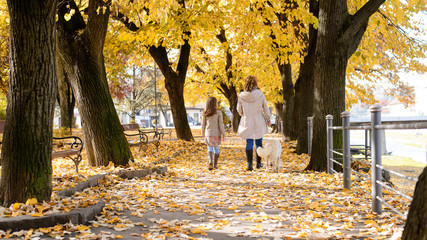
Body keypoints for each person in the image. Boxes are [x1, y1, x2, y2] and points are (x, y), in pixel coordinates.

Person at [237, 75, 271, 171]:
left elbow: (239, 110)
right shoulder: (260, 94)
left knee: (249, 141)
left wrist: (244, 114)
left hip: (247, 120)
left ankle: (249, 164)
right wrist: (268, 119)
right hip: (258, 119)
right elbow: (265, 108)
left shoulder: (241, 96)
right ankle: (259, 163)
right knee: (259, 141)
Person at [201, 96, 226, 170]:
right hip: (217, 134)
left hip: (208, 134)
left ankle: (210, 162)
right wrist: (223, 134)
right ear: (215, 104)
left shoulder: (205, 113)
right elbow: (221, 124)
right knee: (216, 148)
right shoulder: (218, 113)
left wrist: (202, 133)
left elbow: (203, 124)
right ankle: (215, 164)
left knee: (209, 148)